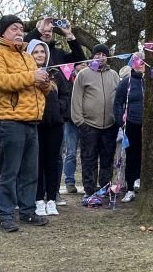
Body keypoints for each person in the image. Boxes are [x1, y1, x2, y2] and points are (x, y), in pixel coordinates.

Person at [0, 14, 51, 230]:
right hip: (9, 121)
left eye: (21, 28)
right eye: (14, 28)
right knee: (10, 171)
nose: (19, 32)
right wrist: (32, 77)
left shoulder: (27, 56)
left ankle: (28, 212)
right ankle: (5, 214)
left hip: (32, 121)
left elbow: (39, 88)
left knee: (30, 171)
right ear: (2, 32)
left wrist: (45, 83)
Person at [28, 16, 85, 195]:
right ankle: (37, 195)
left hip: (55, 115)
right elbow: (26, 43)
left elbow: (80, 58)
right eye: (43, 29)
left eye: (50, 30)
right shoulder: (27, 55)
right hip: (34, 114)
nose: (47, 32)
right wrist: (39, 30)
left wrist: (69, 35)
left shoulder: (59, 54)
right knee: (36, 158)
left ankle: (54, 193)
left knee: (55, 157)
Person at [71, 44, 120, 196]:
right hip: (89, 124)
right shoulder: (83, 74)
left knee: (107, 158)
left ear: (107, 57)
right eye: (97, 54)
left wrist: (118, 119)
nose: (100, 57)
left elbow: (118, 98)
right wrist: (80, 121)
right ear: (92, 56)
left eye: (103, 54)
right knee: (89, 158)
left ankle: (105, 188)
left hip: (110, 125)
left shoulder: (114, 75)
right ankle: (90, 190)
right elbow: (76, 98)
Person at [28, 39, 65, 215]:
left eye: (42, 51)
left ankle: (51, 199)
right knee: (37, 163)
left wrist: (59, 108)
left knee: (52, 162)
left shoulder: (55, 73)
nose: (40, 55)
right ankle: (37, 199)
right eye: (36, 52)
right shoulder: (27, 74)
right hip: (35, 124)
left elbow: (65, 94)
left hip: (55, 124)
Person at [114, 58, 146, 201]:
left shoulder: (148, 82)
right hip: (131, 124)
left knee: (143, 155)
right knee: (131, 156)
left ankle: (142, 182)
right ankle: (130, 188)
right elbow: (117, 104)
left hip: (147, 125)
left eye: (143, 63)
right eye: (138, 63)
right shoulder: (126, 82)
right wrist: (121, 122)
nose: (140, 66)